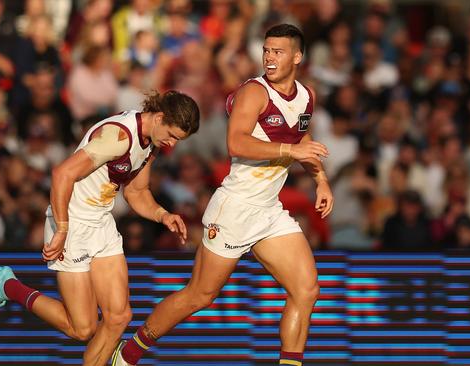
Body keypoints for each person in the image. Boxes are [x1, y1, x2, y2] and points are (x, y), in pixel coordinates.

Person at [112, 24, 333, 366]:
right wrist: (292, 151)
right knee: (199, 296)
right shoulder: (254, 93)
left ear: (298, 56)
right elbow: (237, 142)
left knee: (306, 290)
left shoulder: (307, 96)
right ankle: (127, 355)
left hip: (267, 210)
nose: (269, 57)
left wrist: (321, 180)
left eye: (278, 51)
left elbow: (301, 141)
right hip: (234, 208)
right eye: (266, 50)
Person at [0, 90, 200, 366]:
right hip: (72, 223)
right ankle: (8, 287)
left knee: (119, 317)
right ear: (160, 117)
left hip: (101, 223)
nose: (172, 144)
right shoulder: (119, 137)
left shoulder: (151, 142)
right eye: (173, 135)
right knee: (83, 329)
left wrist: (163, 215)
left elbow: (137, 192)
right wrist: (62, 229)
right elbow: (62, 174)